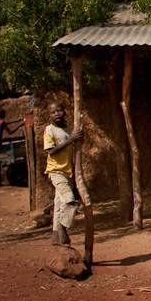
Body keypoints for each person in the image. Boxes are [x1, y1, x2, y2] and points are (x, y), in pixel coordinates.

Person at [43, 101, 83, 247]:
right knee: (70, 200)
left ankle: (55, 235)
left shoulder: (68, 129)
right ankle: (63, 226)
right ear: (49, 115)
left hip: (67, 172)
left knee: (59, 204)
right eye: (53, 112)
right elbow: (51, 151)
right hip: (56, 171)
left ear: (64, 112)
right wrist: (71, 139)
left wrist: (75, 138)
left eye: (59, 110)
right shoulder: (50, 130)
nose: (57, 114)